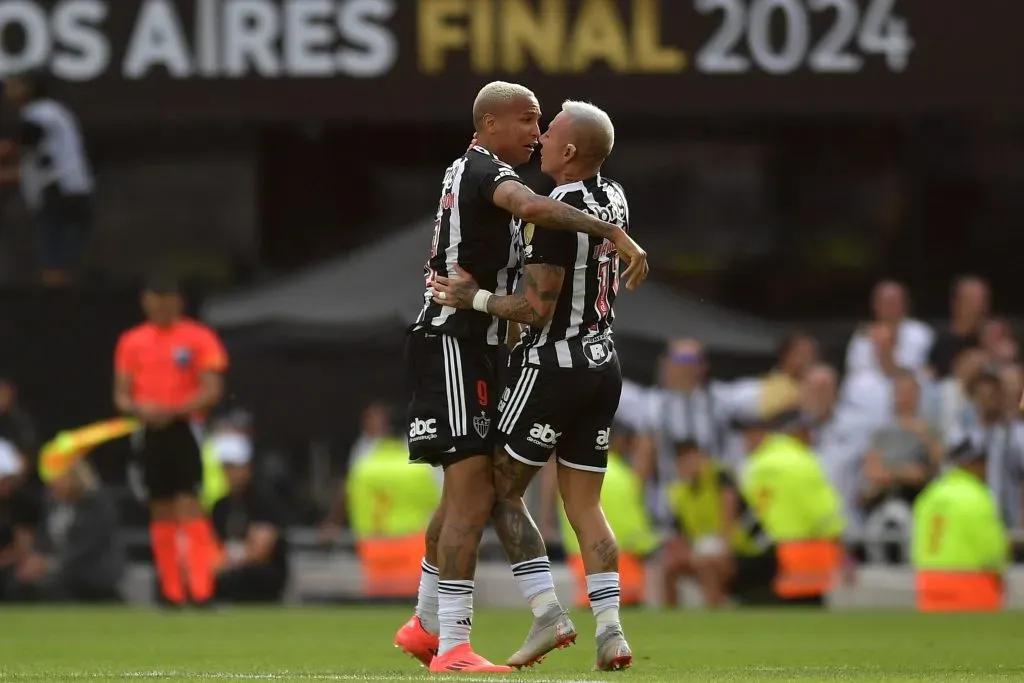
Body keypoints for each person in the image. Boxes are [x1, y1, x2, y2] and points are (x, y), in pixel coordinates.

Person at [396, 82, 648, 674]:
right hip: (476, 343)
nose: (538, 134)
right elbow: (530, 212)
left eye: (545, 124)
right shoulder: (508, 177)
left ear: (570, 150)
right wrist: (613, 232)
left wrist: (482, 302)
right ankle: (454, 640)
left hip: (524, 354)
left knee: (481, 490)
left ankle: (442, 625)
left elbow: (533, 302)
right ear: (489, 124)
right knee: (483, 491)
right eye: (529, 121)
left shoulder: (545, 197)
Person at [113, 273, 228, 607]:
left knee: (189, 504)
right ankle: (171, 591)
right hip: (149, 430)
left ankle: (202, 589)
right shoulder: (132, 341)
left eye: (167, 301)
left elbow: (211, 389)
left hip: (185, 428)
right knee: (160, 507)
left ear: (179, 302)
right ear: (145, 302)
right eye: (154, 300)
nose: (160, 308)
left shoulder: (198, 337)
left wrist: (174, 409)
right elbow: (121, 394)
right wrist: (142, 409)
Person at [0, 71, 95, 287]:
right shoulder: (55, 112)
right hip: (73, 192)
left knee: (53, 262)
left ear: (28, 88)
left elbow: (21, 142)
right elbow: (33, 164)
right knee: (63, 261)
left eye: (14, 85)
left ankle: (57, 300)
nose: (7, 90)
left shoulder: (41, 113)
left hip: (59, 194)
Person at [912, 440, 1007, 611]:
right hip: (971, 582)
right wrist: (999, 572)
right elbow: (991, 548)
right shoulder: (977, 495)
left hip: (929, 581)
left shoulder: (930, 494)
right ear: (972, 464)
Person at [210, 435, 290, 604]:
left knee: (241, 577)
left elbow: (260, 551)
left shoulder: (263, 500)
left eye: (233, 467)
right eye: (225, 467)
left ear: (247, 467)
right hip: (229, 569)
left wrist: (226, 561)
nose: (229, 473)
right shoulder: (220, 506)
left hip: (260, 576)